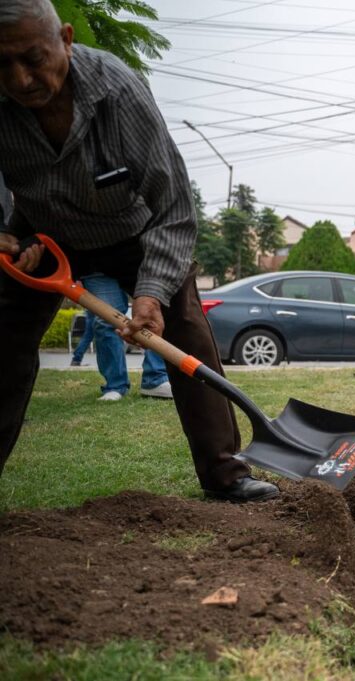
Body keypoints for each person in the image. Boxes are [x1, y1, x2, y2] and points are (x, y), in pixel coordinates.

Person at [0, 1, 277, 502]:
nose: (20, 80)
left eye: (34, 58)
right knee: (3, 340)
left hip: (134, 228)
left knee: (186, 327)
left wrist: (151, 291)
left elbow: (173, 204)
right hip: (45, 234)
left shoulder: (118, 89)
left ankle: (227, 473)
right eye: (3, 65)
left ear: (65, 38)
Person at [75, 273, 173, 401]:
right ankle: (115, 385)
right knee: (106, 320)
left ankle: (155, 379)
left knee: (153, 317)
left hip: (141, 262)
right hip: (96, 266)